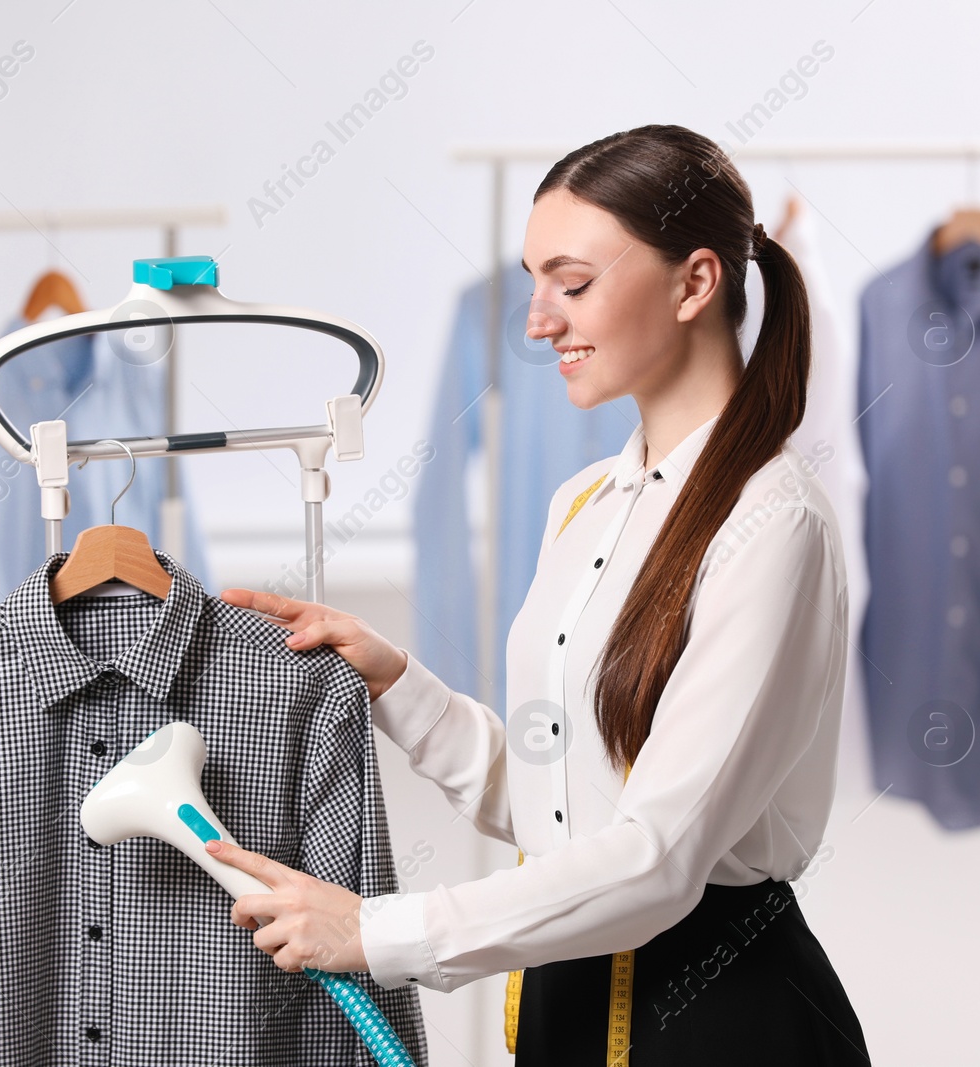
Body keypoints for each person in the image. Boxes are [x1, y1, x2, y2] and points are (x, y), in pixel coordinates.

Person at [214, 124, 868, 1065]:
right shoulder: (584, 506)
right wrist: (398, 682)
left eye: (573, 282)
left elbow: (658, 858)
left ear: (695, 282)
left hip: (718, 1019)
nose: (536, 321)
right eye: (533, 281)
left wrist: (376, 931)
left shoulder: (773, 526)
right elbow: (561, 806)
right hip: (566, 1001)